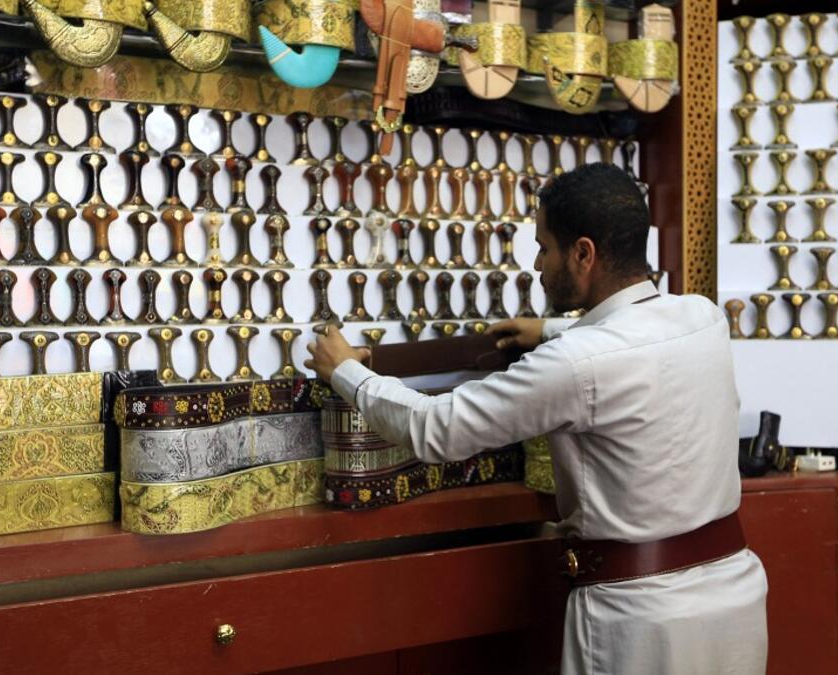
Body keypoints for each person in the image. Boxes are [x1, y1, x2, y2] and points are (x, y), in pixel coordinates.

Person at [305, 163, 768, 674]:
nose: (538, 264)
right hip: (734, 598)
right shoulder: (703, 317)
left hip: (641, 622)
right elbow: (630, 344)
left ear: (583, 253)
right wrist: (549, 329)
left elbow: (437, 429)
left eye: (545, 247)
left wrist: (345, 371)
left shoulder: (575, 363)